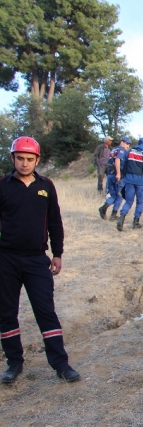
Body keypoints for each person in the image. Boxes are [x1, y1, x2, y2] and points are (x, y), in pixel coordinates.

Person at [0, 136, 80, 383]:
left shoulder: (46, 186)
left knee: (46, 311)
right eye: (20, 158)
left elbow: (55, 221)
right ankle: (14, 363)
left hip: (37, 260)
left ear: (37, 160)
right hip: (6, 259)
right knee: (6, 313)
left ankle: (61, 364)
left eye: (30, 159)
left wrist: (57, 253)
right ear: (12, 158)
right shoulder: (2, 185)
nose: (25, 163)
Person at [117, 137, 143, 231]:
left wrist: (124, 176)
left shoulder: (129, 152)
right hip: (140, 182)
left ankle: (121, 217)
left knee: (129, 201)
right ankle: (136, 222)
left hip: (129, 180)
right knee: (140, 202)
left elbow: (122, 165)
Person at [98, 137, 131, 221]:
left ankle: (104, 208)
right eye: (127, 143)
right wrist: (119, 173)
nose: (128, 145)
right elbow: (117, 160)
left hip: (110, 175)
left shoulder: (113, 150)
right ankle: (113, 214)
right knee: (119, 196)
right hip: (117, 176)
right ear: (122, 142)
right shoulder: (121, 150)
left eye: (129, 144)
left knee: (114, 195)